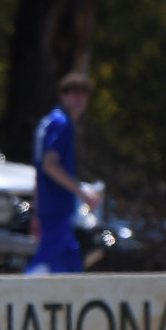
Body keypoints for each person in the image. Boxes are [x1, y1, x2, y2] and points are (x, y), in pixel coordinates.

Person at [26, 72, 104, 276]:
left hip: (49, 206)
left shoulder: (47, 122)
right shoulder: (63, 124)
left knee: (72, 263)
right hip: (57, 206)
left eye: (84, 93)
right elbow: (49, 165)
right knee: (43, 262)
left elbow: (39, 172)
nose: (79, 99)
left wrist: (36, 211)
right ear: (63, 95)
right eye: (73, 93)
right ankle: (18, 299)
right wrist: (82, 192)